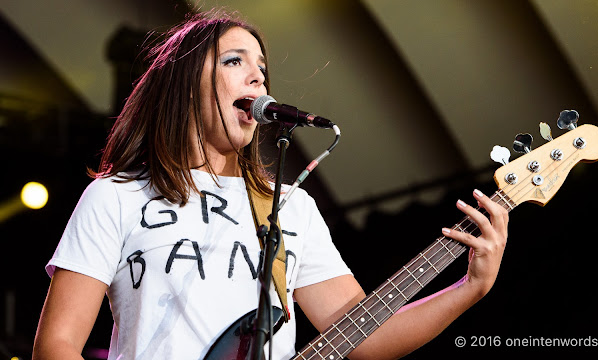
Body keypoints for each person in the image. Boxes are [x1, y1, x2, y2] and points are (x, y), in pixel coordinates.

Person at [32, 8, 509, 360]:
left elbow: (364, 335)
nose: (258, 75)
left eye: (262, 66)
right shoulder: (118, 196)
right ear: (186, 83)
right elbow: (56, 345)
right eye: (235, 61)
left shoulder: (290, 207)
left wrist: (470, 287)